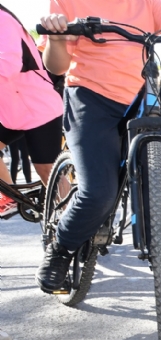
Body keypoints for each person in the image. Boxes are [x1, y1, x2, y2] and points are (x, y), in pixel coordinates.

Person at [38, 1, 161, 313]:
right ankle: (61, 248)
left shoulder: (145, 2)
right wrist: (56, 37)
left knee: (151, 192)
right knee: (99, 193)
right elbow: (57, 66)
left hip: (139, 97)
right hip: (90, 99)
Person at [0, 3, 63, 216]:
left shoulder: (3, 19)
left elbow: (7, 64)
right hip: (10, 113)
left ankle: (74, 221)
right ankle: (9, 197)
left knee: (48, 171)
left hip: (37, 107)